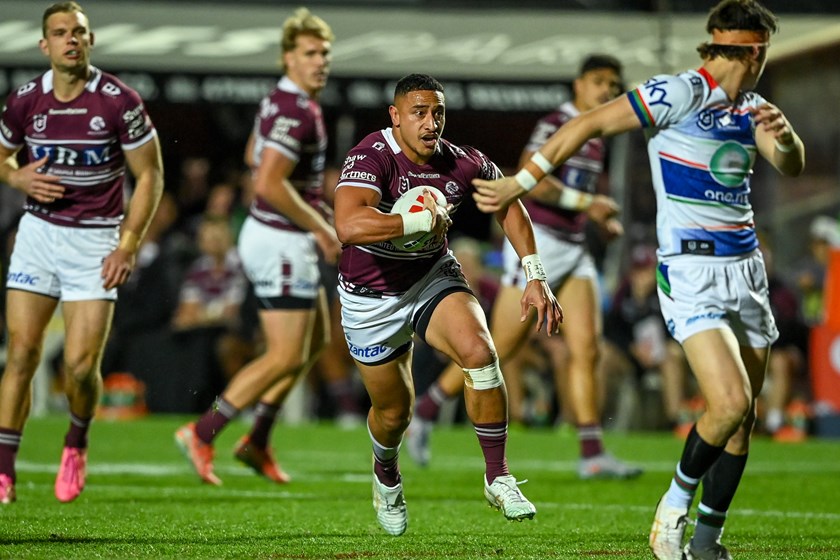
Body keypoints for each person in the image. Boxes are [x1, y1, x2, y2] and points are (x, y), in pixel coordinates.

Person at [472, 1, 805, 558]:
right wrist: (519, 184)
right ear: (755, 52)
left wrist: (787, 138)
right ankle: (672, 510)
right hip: (692, 270)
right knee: (729, 403)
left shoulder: (754, 108)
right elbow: (586, 123)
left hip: (746, 271)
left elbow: (788, 162)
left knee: (742, 420)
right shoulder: (678, 93)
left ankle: (707, 541)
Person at [333, 73, 563, 536]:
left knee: (480, 352)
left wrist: (535, 274)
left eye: (437, 112)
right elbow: (348, 225)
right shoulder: (371, 155)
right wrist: (412, 221)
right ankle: (385, 471)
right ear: (395, 116)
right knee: (394, 415)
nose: (430, 122)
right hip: (370, 298)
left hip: (430, 277)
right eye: (418, 112)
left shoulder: (463, 161)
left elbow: (509, 204)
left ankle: (498, 477)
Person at [408, 54, 640, 480]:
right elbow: (532, 178)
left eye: (613, 84)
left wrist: (595, 217)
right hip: (542, 242)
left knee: (587, 348)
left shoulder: (597, 132)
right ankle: (426, 410)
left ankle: (591, 453)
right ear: (578, 84)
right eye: (599, 82)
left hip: (574, 245)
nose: (607, 91)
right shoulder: (559, 122)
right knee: (498, 347)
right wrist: (587, 203)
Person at [0, 1, 164, 504]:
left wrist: (127, 244)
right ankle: (3, 470)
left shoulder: (119, 101)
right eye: (60, 32)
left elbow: (150, 175)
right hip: (39, 234)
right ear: (44, 44)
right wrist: (16, 177)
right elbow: (2, 156)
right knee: (21, 351)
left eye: (79, 31)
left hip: (95, 240)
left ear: (90, 40)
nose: (71, 39)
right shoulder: (25, 100)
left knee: (77, 366)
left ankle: (76, 440)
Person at [175, 7, 341, 485]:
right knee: (284, 354)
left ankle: (258, 440)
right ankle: (203, 432)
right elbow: (267, 182)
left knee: (314, 341)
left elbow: (253, 154)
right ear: (288, 58)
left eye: (324, 53)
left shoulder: (281, 100)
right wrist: (320, 224)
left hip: (277, 234)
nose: (320, 62)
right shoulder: (295, 109)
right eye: (309, 53)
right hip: (281, 241)